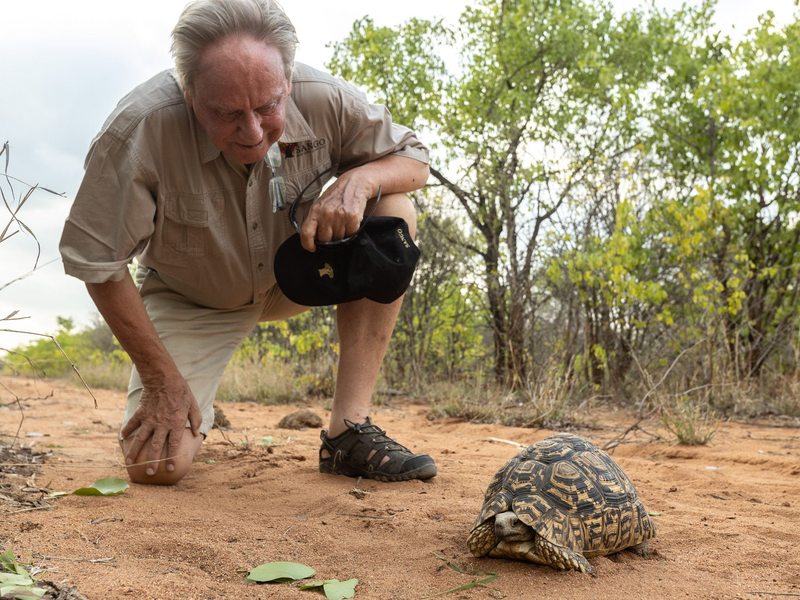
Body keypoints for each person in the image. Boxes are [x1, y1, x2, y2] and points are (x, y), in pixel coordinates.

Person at [59, 0, 436, 485]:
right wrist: (161, 380)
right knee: (155, 467)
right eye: (228, 112)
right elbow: (97, 262)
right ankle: (193, 399)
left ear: (288, 81)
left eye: (268, 106)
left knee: (395, 210)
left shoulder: (325, 97)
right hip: (193, 296)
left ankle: (350, 430)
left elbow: (414, 159)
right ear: (190, 94)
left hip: (299, 274)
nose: (254, 131)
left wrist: (360, 181)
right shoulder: (139, 128)